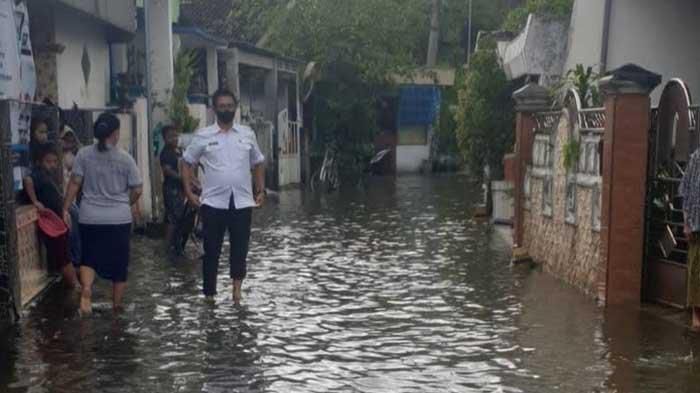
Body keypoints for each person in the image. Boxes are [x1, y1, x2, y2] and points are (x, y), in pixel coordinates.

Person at [182, 89, 266, 303]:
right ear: (214, 109)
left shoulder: (247, 134)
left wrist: (261, 190)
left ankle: (237, 293)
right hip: (212, 203)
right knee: (211, 250)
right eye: (222, 106)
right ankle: (209, 295)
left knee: (240, 249)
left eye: (230, 105)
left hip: (242, 201)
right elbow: (186, 162)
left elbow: (257, 162)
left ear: (235, 108)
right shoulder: (204, 136)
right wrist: (189, 190)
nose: (226, 109)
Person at [62, 113, 143, 315]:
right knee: (119, 264)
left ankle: (87, 290)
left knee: (89, 258)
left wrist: (64, 208)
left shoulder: (83, 154)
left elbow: (74, 183)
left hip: (90, 217)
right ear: (115, 134)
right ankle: (116, 306)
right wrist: (125, 203)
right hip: (119, 219)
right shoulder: (125, 158)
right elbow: (138, 189)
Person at [22, 144, 80, 289]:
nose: (52, 165)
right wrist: (35, 200)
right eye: (49, 161)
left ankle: (74, 285)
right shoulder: (37, 174)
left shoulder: (47, 175)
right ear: (39, 161)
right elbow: (27, 180)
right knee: (63, 258)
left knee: (64, 255)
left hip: (58, 221)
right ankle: (75, 286)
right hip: (52, 224)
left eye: (55, 161)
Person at [160, 125, 186, 256]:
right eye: (171, 136)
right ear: (164, 138)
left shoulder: (178, 151)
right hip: (172, 189)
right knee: (173, 219)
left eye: (176, 135)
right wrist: (182, 178)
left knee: (177, 218)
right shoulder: (166, 153)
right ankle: (166, 249)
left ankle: (176, 246)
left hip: (178, 189)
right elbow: (167, 170)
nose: (174, 138)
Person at [61, 127, 82, 268]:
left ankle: (76, 259)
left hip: (69, 198)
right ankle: (75, 259)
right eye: (65, 140)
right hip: (65, 198)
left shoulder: (72, 157)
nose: (69, 143)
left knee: (75, 227)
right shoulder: (59, 155)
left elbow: (75, 181)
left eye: (71, 140)